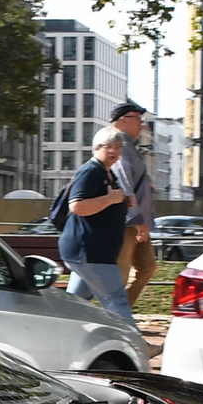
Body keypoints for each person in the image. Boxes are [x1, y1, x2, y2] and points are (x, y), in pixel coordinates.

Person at [56, 127, 134, 321]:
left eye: (117, 147)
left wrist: (122, 200)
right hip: (91, 252)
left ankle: (57, 338)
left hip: (90, 252)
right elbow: (77, 206)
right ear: (97, 148)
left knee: (75, 304)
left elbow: (106, 202)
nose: (113, 151)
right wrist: (111, 199)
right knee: (116, 300)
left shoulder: (106, 173)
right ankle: (137, 345)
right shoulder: (91, 171)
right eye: (108, 147)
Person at [102, 102, 156, 303]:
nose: (141, 124)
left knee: (148, 267)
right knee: (121, 274)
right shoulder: (118, 146)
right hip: (126, 222)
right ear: (123, 119)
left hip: (137, 221)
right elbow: (123, 185)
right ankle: (115, 316)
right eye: (138, 119)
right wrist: (138, 219)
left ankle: (120, 312)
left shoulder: (130, 147)